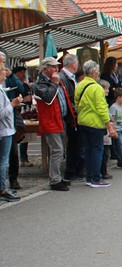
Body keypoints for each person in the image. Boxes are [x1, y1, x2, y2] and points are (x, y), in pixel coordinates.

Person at [75, 60, 117, 188]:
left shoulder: (80, 86)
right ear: (93, 72)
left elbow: (76, 103)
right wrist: (109, 125)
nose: (98, 73)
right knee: (97, 150)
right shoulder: (97, 88)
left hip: (83, 121)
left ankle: (89, 177)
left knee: (88, 150)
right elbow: (102, 108)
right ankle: (96, 178)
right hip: (95, 123)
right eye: (97, 71)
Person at [32, 57, 70, 191]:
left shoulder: (56, 81)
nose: (56, 69)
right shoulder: (39, 85)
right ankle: (55, 180)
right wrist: (54, 84)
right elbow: (48, 99)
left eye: (56, 66)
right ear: (45, 69)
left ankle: (57, 177)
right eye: (53, 67)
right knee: (57, 150)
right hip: (50, 121)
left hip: (59, 119)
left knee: (60, 150)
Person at [59, 53, 84, 182]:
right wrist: (75, 111)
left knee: (76, 144)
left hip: (72, 115)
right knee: (73, 145)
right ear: (74, 64)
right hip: (70, 116)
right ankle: (71, 171)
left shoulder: (69, 77)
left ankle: (75, 170)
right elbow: (68, 98)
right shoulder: (63, 77)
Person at [0, 58, 22, 202]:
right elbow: (1, 113)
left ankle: (3, 187)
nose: (5, 72)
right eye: (2, 69)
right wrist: (13, 104)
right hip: (4, 130)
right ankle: (2, 189)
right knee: (3, 161)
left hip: (6, 129)